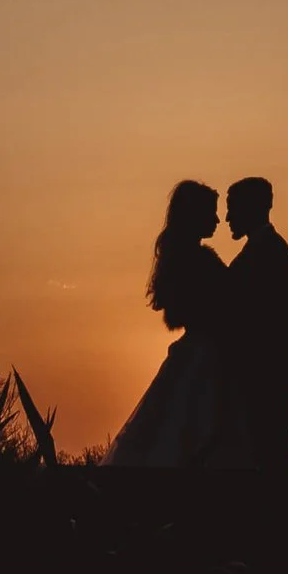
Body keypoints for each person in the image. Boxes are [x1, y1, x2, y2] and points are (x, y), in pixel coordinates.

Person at [105, 181, 229, 467]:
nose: (217, 220)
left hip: (195, 350)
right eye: (211, 213)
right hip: (205, 355)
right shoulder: (199, 262)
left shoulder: (181, 257)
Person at [216, 177, 288, 471]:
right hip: (263, 369)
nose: (228, 218)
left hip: (263, 369)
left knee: (268, 454)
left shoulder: (267, 253)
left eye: (232, 209)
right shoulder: (265, 250)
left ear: (252, 208)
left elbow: (249, 315)